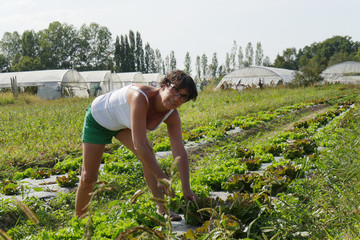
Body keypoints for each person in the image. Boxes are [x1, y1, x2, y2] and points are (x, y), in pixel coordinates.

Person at [75, 70, 199, 220]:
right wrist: (160, 176)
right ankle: (80, 222)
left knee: (148, 156)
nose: (177, 98)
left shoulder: (172, 115)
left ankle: (162, 209)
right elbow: (139, 144)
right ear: (165, 85)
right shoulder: (140, 97)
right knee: (89, 177)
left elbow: (179, 152)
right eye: (176, 90)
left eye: (183, 96)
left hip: (123, 123)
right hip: (99, 120)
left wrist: (186, 189)